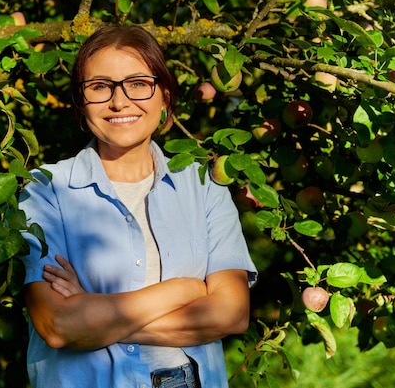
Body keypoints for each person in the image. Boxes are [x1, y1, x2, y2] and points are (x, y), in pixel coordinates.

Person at [18, 24, 257, 388]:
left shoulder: (204, 186)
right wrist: (182, 290)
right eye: (100, 87)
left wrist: (95, 312)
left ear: (163, 95)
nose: (119, 101)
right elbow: (57, 325)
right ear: (81, 103)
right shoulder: (46, 190)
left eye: (138, 83)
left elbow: (232, 313)